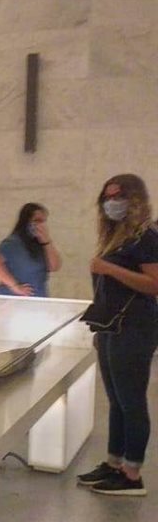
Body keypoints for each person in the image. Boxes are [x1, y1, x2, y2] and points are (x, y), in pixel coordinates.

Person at [76, 174, 158, 497]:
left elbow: (154, 284)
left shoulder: (145, 237)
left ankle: (132, 474)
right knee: (116, 401)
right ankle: (114, 463)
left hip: (135, 328)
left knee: (131, 401)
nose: (112, 203)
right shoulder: (117, 237)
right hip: (112, 327)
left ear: (134, 199)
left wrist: (110, 269)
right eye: (107, 197)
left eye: (118, 196)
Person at [0, 203, 62, 297]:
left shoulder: (40, 245)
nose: (41, 225)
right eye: (37, 221)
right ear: (26, 222)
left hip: (36, 300)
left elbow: (54, 267)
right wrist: (14, 286)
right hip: (14, 300)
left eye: (43, 221)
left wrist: (46, 241)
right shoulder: (14, 243)